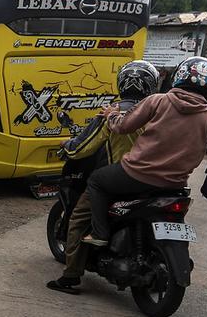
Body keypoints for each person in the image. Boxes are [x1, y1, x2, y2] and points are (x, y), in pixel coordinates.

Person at [82, 56, 207, 248]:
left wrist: (112, 115)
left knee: (96, 180)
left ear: (179, 76)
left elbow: (123, 126)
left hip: (137, 175)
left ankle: (100, 233)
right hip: (175, 185)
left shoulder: (157, 101)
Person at [46, 60, 159, 294]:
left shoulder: (112, 113)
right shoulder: (159, 113)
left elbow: (84, 147)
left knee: (78, 217)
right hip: (159, 180)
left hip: (122, 179)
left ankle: (71, 275)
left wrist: (68, 146)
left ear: (121, 83)